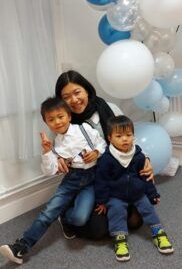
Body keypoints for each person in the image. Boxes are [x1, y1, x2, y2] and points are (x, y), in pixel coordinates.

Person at [0, 97, 106, 264]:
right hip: (72, 179)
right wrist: (48, 152)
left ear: (69, 116)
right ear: (46, 123)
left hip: (91, 179)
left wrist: (96, 153)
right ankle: (21, 247)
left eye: (60, 116)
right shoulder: (55, 145)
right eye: (51, 119)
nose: (57, 122)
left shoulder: (85, 129)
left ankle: (63, 215)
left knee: (79, 219)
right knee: (47, 213)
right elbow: (50, 171)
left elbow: (103, 144)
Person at [54, 70, 154, 239]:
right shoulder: (64, 122)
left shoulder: (109, 108)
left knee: (135, 221)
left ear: (87, 90)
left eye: (77, 92)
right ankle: (65, 215)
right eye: (66, 96)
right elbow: (58, 150)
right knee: (99, 231)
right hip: (89, 179)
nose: (74, 100)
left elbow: (126, 137)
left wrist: (146, 160)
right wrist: (59, 160)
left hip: (116, 173)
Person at [95, 115, 174, 262]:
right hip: (116, 196)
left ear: (133, 136)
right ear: (110, 138)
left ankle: (158, 233)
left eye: (128, 135)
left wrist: (152, 193)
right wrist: (102, 200)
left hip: (138, 193)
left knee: (148, 209)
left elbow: (146, 176)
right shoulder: (106, 159)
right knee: (116, 212)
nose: (125, 139)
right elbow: (101, 180)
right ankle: (120, 239)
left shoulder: (138, 155)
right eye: (119, 136)